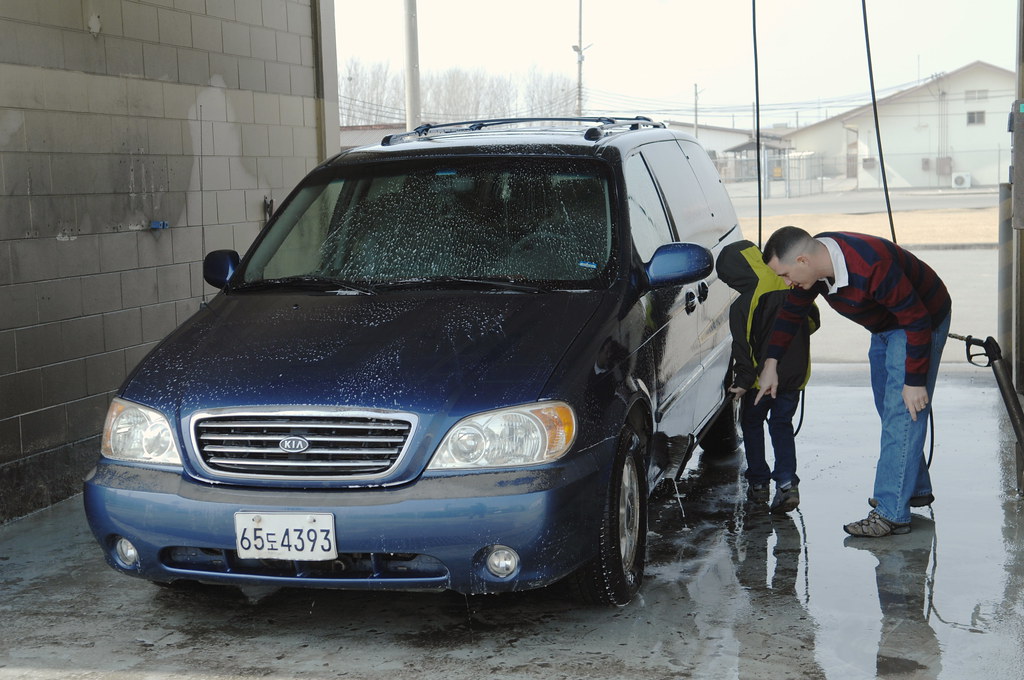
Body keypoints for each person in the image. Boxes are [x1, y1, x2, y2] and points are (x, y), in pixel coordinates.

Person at [755, 227, 951, 537]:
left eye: (786, 274)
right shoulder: (816, 269)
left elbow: (915, 320)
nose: (787, 282)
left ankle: (891, 513)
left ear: (803, 259)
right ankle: (913, 489)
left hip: (920, 320)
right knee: (889, 410)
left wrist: (914, 381)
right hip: (886, 324)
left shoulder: (872, 265)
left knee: (903, 412)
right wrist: (771, 363)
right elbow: (792, 312)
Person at [717, 240, 819, 513]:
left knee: (752, 423)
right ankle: (787, 483)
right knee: (781, 424)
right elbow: (812, 322)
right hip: (795, 376)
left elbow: (743, 349)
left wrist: (740, 383)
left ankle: (759, 483)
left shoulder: (742, 305)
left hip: (758, 383)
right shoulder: (792, 284)